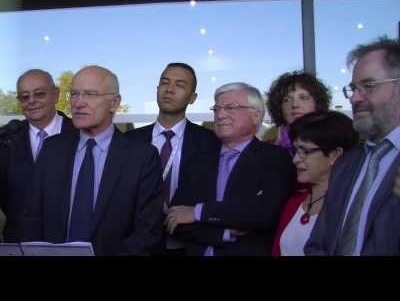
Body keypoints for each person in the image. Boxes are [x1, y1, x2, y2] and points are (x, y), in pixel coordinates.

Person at [21, 65, 164, 255]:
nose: (78, 103)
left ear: (114, 103)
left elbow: (148, 231)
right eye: (74, 94)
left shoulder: (142, 156)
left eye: (89, 94)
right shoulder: (52, 149)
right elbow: (32, 217)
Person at [165, 82, 294, 255]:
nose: (220, 114)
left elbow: (264, 214)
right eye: (217, 108)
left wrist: (198, 212)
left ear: (256, 116)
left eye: (230, 107)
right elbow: (176, 219)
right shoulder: (198, 160)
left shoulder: (274, 158)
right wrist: (223, 233)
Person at [305, 36, 400, 255]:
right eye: (353, 88)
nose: (355, 98)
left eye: (368, 86)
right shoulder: (347, 163)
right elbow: (318, 244)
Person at [126, 62, 219, 255]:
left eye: (180, 85)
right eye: (165, 82)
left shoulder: (211, 143)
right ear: (157, 89)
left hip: (187, 244)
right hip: (135, 244)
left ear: (192, 98)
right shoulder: (128, 141)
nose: (169, 89)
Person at [0, 69, 76, 242]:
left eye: (39, 94)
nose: (31, 101)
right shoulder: (5, 140)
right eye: (24, 96)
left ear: (55, 95)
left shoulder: (80, 134)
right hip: (20, 239)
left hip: (69, 239)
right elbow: (3, 195)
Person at [271, 111, 358, 256]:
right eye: (295, 150)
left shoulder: (350, 208)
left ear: (335, 154)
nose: (296, 160)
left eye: (305, 151)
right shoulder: (293, 203)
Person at [263, 71, 331, 154]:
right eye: (286, 100)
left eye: (303, 97)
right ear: (279, 106)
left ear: (317, 102)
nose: (294, 104)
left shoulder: (332, 143)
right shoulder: (267, 148)